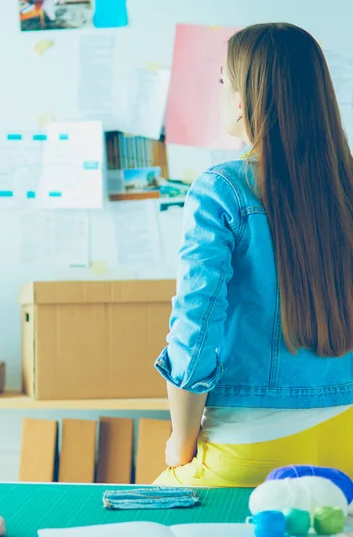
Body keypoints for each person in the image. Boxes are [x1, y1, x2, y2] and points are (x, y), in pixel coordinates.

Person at [153, 22, 353, 487]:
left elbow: (196, 327)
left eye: (223, 81)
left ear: (243, 101)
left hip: (250, 447)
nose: (220, 92)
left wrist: (181, 441)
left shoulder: (220, 189)